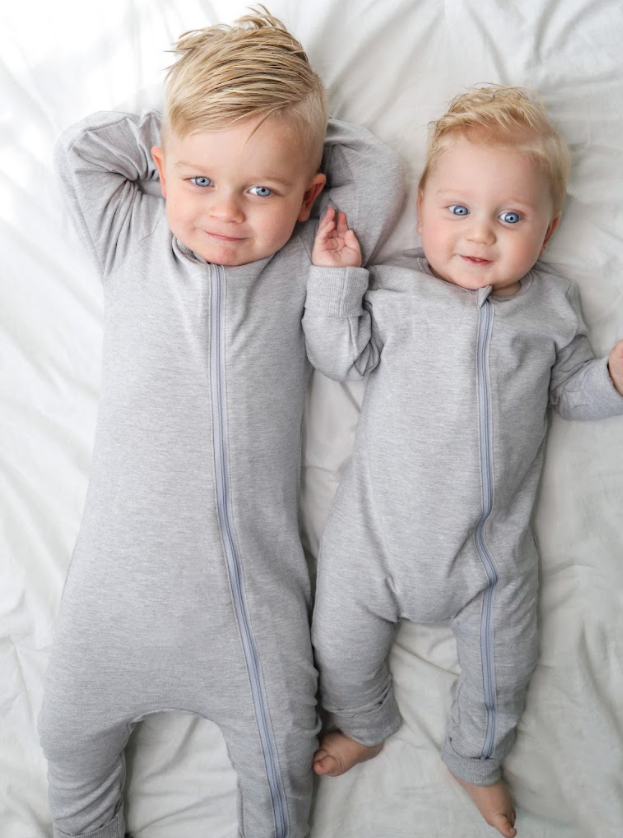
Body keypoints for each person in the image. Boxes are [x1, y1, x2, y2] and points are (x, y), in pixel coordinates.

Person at [37, 8, 403, 838]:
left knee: (280, 767)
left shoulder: (305, 255)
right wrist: (196, 119)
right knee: (64, 741)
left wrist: (291, 135)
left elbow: (375, 172)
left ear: (309, 193)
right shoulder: (129, 232)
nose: (227, 214)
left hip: (250, 607)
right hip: (110, 605)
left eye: (261, 190)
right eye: (199, 181)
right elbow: (79, 150)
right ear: (161, 167)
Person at [302, 85, 623, 838]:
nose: (480, 234)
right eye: (457, 209)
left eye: (510, 218)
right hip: (372, 542)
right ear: (420, 208)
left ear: (545, 230)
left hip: (489, 559)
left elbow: (569, 395)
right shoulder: (398, 289)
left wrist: (609, 376)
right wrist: (336, 280)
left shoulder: (548, 309)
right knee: (336, 646)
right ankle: (365, 722)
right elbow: (337, 354)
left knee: (503, 667)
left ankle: (475, 759)